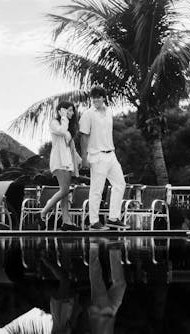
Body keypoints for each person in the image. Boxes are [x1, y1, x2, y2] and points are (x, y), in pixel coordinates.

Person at [79, 86, 128, 230]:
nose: (95, 100)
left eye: (98, 97)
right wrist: (84, 158)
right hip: (96, 155)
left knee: (120, 184)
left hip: (111, 154)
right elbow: (84, 136)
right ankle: (94, 222)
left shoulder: (109, 112)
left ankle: (113, 218)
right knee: (97, 190)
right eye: (93, 97)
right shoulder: (88, 114)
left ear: (103, 98)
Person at [40, 101, 82, 231]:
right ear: (60, 111)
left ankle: (66, 221)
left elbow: (70, 147)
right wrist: (64, 117)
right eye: (67, 110)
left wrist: (78, 158)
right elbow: (62, 131)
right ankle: (43, 212)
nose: (70, 113)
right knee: (64, 190)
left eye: (71, 111)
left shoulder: (68, 126)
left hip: (68, 162)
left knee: (64, 193)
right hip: (59, 162)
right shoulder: (55, 123)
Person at [87, 241, 127, 334]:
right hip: (111, 312)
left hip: (100, 314)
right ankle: (113, 250)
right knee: (121, 284)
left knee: (96, 278)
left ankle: (94, 246)